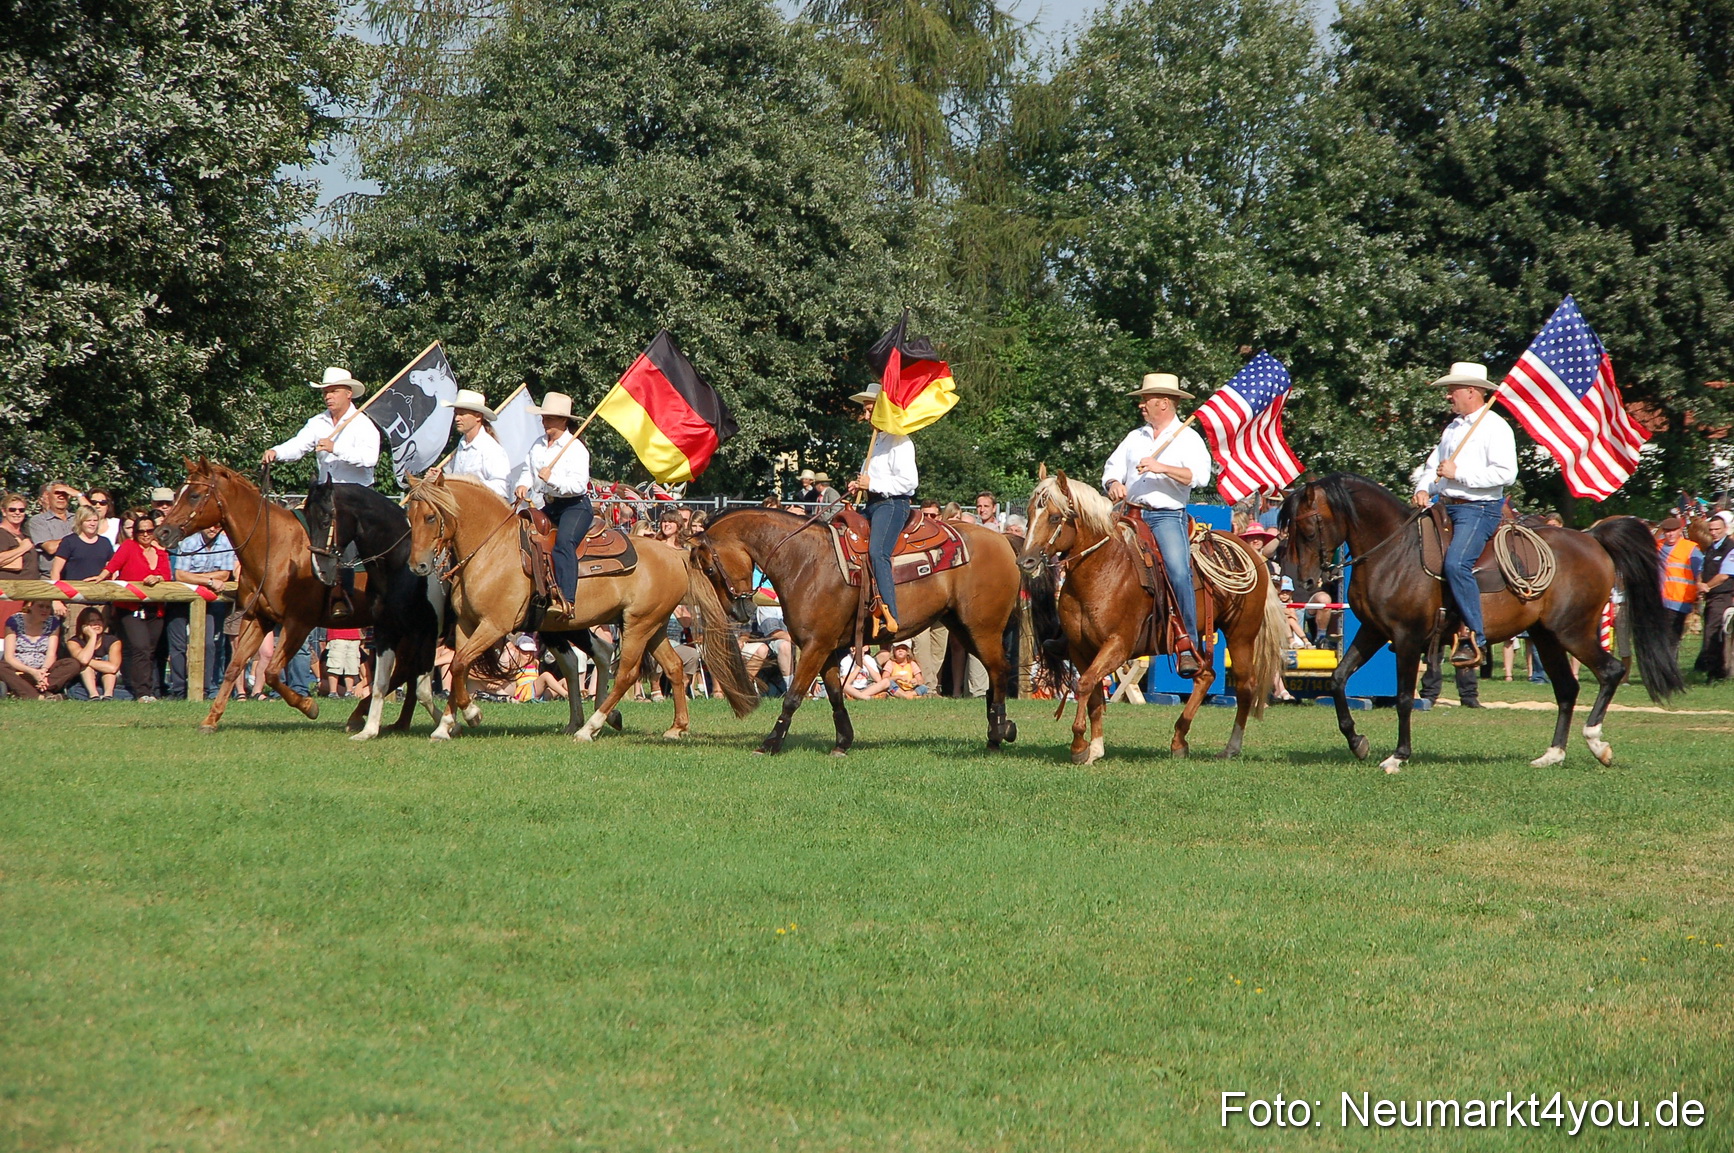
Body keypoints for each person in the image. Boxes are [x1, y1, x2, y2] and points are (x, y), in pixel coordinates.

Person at [1102, 372, 1213, 677]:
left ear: (1164, 403)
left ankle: (1188, 644)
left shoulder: (1188, 437)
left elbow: (1199, 477)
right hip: (1130, 513)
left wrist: (1160, 466)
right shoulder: (1135, 437)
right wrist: (1113, 483)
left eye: (1146, 399)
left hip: (1166, 515)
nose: (1141, 405)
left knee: (1178, 569)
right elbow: (1111, 468)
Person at [1410, 361, 1519, 667]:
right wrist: (1423, 488)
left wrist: (1461, 474)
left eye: (1452, 390)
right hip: (1444, 506)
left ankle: (1475, 634)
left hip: (1479, 509)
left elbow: (1506, 474)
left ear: (1472, 391)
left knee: (1457, 564)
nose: (1448, 396)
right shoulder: (1452, 429)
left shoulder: (1495, 427)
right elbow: (1434, 468)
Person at [844, 382, 917, 633]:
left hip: (893, 505)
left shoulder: (900, 441)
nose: (865, 416)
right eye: (865, 411)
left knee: (878, 552)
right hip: (873, 503)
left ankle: (889, 613)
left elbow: (909, 482)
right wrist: (859, 484)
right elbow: (872, 479)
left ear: (883, 410)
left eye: (869, 410)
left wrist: (872, 483)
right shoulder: (877, 442)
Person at [513, 392, 592, 606]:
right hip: (550, 504)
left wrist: (553, 479)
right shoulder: (538, 444)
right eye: (543, 417)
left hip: (575, 507)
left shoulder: (576, 448)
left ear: (563, 420)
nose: (544, 421)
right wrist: (523, 484)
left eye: (549, 418)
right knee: (522, 533)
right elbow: (528, 470)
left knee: (564, 542)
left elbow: (578, 486)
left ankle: (568, 600)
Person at [261, 366, 381, 486]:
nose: (328, 396)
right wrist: (276, 452)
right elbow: (298, 444)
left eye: (334, 391)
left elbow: (369, 458)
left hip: (357, 494)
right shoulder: (317, 422)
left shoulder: (362, 424)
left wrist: (335, 448)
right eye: (325, 392)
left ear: (348, 394)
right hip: (326, 493)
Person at [99, 512, 175, 701]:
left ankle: (150, 689)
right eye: (141, 531)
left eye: (149, 530)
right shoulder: (129, 547)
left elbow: (166, 575)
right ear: (135, 533)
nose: (146, 534)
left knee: (150, 650)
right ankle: (143, 692)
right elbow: (113, 566)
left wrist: (157, 577)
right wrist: (99, 578)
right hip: (130, 607)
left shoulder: (161, 552)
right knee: (140, 647)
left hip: (154, 609)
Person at [170, 523, 236, 699]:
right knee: (178, 645)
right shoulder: (189, 543)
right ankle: (179, 689)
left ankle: (205, 688)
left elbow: (225, 574)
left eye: (216, 526)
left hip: (209, 600)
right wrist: (209, 581)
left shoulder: (225, 543)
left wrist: (199, 578)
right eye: (209, 526)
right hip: (182, 596)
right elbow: (180, 575)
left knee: (208, 643)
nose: (212, 529)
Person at [430, 388, 511, 499]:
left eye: (462, 414)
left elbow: (502, 488)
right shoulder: (462, 444)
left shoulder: (491, 448)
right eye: (456, 414)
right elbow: (458, 480)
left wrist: (469, 485)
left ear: (478, 416)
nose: (457, 418)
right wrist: (442, 478)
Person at [1, 601, 81, 699]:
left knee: (72, 663)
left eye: (48, 607)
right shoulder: (14, 621)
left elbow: (51, 654)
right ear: (30, 606)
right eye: (41, 606)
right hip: (18, 666)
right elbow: (9, 657)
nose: (45, 610)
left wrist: (43, 670)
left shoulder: (53, 622)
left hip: (44, 669)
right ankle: (39, 696)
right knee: (1, 666)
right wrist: (32, 671)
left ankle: (30, 690)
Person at [1656, 516, 1702, 663]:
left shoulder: (1690, 548)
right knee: (1660, 638)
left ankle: (1670, 670)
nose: (1670, 534)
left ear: (1680, 530)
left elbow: (1700, 572)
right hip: (1659, 601)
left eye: (1673, 531)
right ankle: (1664, 669)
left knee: (1672, 639)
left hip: (1679, 602)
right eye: (1667, 531)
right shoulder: (1658, 546)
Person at [1697, 511, 1734, 682]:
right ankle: (1719, 669)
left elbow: (1724, 575)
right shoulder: (1711, 548)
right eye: (1711, 529)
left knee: (1713, 633)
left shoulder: (1730, 548)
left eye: (1717, 529)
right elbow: (1704, 569)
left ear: (1725, 529)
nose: (1714, 532)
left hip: (1723, 596)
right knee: (1714, 631)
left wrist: (1706, 586)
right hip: (1712, 597)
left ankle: (1714, 672)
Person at [65, 607, 126, 700]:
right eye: (91, 621)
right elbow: (84, 660)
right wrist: (93, 637)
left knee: (106, 660)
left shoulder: (113, 641)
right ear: (84, 625)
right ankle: (94, 696)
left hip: (109, 682)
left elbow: (113, 668)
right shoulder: (73, 642)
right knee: (83, 673)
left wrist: (88, 661)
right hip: (84, 684)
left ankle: (108, 696)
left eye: (99, 620)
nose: (96, 623)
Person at [48, 506, 114, 581]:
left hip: (99, 589)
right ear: (80, 521)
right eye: (88, 520)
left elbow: (111, 569)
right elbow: (55, 572)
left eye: (95, 520)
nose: (92, 524)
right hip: (74, 589)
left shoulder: (105, 542)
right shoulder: (69, 542)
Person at [27, 481, 76, 578]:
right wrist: (79, 540)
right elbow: (50, 548)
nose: (61, 497)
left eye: (65, 493)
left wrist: (78, 495)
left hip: (77, 577)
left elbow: (95, 517)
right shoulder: (38, 520)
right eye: (57, 493)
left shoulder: (77, 518)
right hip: (50, 578)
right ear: (47, 496)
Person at [1, 492, 41, 577]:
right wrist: (22, 548)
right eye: (12, 509)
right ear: (4, 511)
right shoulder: (2, 533)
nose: (17, 512)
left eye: (21, 510)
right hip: (9, 587)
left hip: (30, 587)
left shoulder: (24, 534)